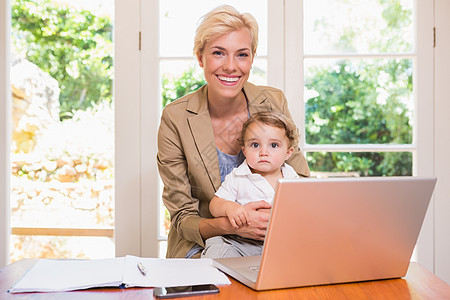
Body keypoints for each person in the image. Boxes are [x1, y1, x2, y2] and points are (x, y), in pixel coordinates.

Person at [157, 5, 310, 259]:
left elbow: (301, 185)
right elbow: (183, 217)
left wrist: (272, 222)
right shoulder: (176, 117)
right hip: (206, 243)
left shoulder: (273, 101)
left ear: (251, 58)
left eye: (242, 54)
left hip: (274, 238)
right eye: (218, 53)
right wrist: (235, 224)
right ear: (200, 58)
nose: (231, 66)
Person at [201, 111, 300, 258]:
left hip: (280, 243)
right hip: (242, 244)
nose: (263, 152)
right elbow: (215, 205)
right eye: (255, 145)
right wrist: (231, 208)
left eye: (274, 145)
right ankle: (217, 275)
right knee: (218, 247)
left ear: (288, 152)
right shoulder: (238, 176)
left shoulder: (291, 177)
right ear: (244, 150)